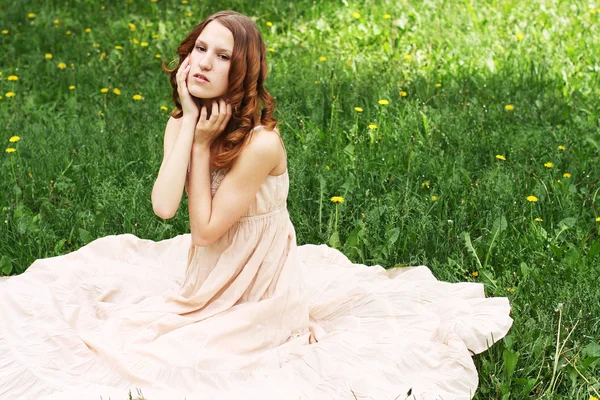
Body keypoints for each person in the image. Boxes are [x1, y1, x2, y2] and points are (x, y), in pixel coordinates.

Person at [0, 10, 512, 400]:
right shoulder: (182, 123)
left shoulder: (261, 144)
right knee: (108, 330)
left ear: (241, 72)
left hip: (258, 287)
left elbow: (204, 230)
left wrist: (202, 147)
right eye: (200, 48)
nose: (204, 62)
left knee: (184, 360)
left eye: (223, 56)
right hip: (209, 274)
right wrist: (188, 129)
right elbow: (161, 206)